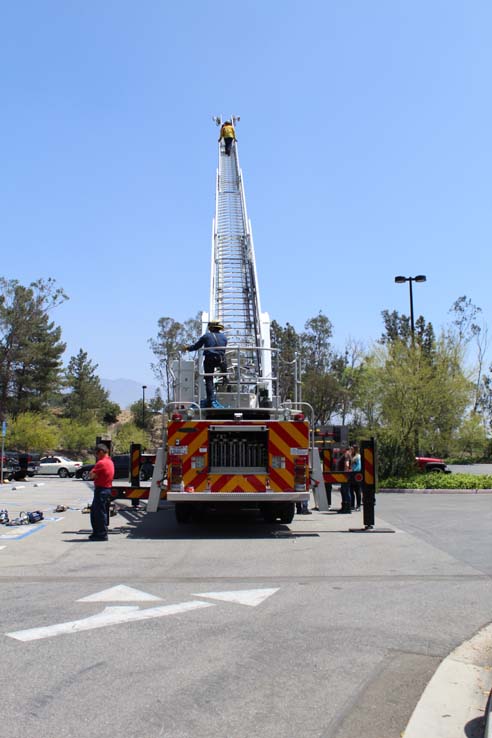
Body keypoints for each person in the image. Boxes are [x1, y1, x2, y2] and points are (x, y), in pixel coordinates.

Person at [187, 321, 227, 408]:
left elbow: (196, 346)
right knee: (224, 371)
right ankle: (225, 377)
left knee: (209, 379)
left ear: (211, 328)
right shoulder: (224, 337)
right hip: (221, 360)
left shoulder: (207, 336)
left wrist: (187, 348)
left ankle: (210, 400)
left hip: (210, 360)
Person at [88, 443, 115, 541]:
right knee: (97, 513)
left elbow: (91, 475)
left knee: (98, 513)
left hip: (101, 490)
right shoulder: (110, 462)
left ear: (101, 452)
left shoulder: (101, 463)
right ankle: (97, 533)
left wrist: (93, 474)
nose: (96, 456)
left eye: (96, 454)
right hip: (106, 489)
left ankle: (101, 534)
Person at [337, 447, 352, 514]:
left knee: (346, 491)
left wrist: (345, 474)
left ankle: (347, 508)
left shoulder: (346, 454)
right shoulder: (347, 454)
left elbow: (347, 464)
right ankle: (345, 507)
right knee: (344, 491)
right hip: (344, 476)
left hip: (344, 476)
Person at [350, 444, 362, 511]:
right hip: (351, 475)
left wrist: (354, 471)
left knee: (357, 491)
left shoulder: (358, 456)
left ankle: (358, 505)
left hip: (356, 475)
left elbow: (359, 466)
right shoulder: (352, 456)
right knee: (351, 491)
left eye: (352, 449)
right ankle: (352, 505)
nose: (351, 450)